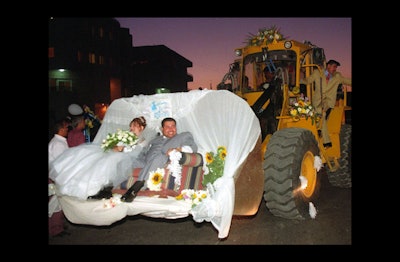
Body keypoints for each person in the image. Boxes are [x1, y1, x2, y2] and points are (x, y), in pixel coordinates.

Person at [49, 116, 158, 200]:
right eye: (131, 125)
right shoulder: (126, 136)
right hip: (119, 154)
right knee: (89, 153)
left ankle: (102, 189)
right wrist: (115, 147)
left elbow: (135, 153)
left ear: (141, 128)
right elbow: (117, 147)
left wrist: (122, 150)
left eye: (134, 126)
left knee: (110, 160)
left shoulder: (142, 141)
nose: (131, 128)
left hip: (131, 158)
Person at [121, 117, 198, 202]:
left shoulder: (183, 136)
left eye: (173, 126)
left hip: (162, 159)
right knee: (124, 160)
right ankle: (108, 188)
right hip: (145, 161)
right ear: (162, 129)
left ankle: (135, 189)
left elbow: (193, 147)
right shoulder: (154, 139)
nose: (171, 129)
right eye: (167, 127)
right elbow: (144, 152)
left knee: (159, 157)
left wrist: (179, 150)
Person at [301, 59, 352, 148]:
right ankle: (320, 133)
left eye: (336, 67)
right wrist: (295, 80)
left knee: (322, 113)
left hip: (328, 102)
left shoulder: (337, 76)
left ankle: (326, 140)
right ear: (328, 66)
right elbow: (307, 81)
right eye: (334, 67)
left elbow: (347, 81)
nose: (335, 69)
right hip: (317, 101)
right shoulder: (317, 73)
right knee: (321, 114)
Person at [48, 119, 70, 238]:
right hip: (57, 177)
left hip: (58, 176)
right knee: (55, 202)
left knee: (59, 202)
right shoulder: (57, 143)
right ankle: (55, 229)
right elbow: (59, 162)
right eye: (66, 128)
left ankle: (58, 225)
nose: (67, 130)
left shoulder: (59, 141)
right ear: (61, 129)